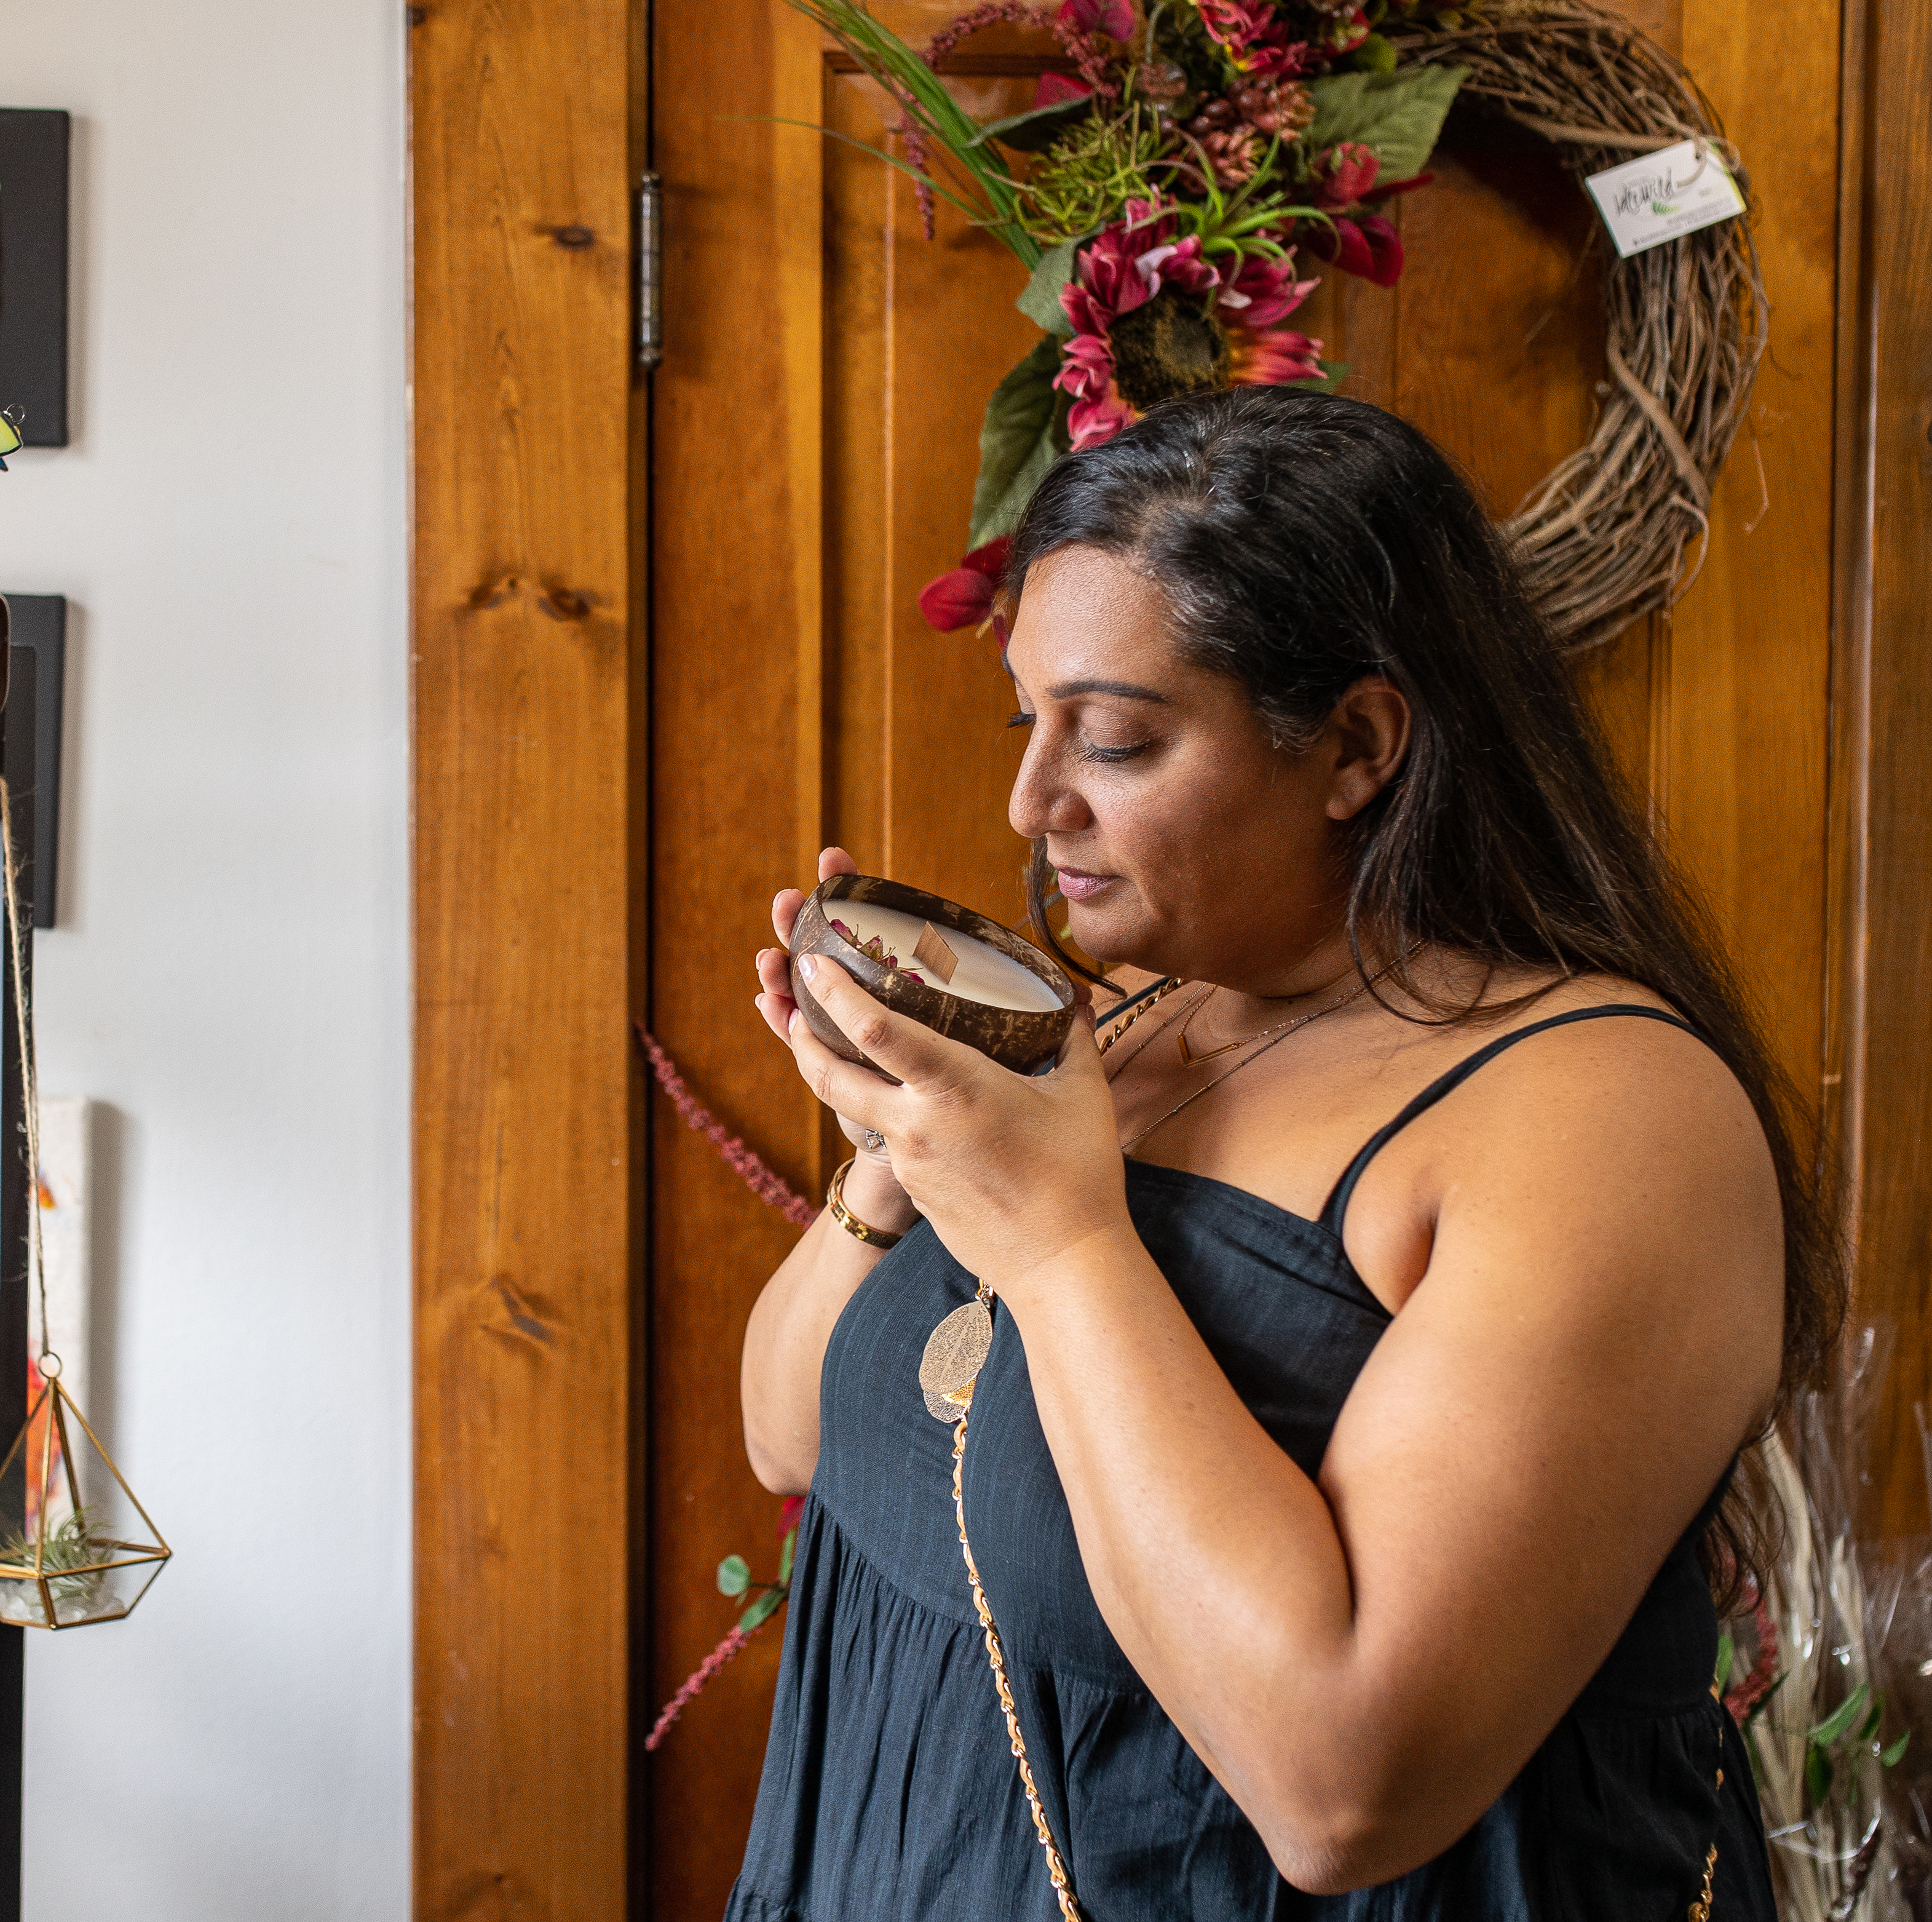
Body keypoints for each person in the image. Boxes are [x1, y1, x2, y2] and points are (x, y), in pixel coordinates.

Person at [728, 387, 1833, 1920]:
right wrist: (896, 1144)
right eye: (1027, 724)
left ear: (1358, 745)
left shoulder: (1606, 1117)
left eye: (1113, 738)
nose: (1031, 801)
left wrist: (1059, 1245)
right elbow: (794, 1441)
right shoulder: (1132, 1026)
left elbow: (1341, 1786)